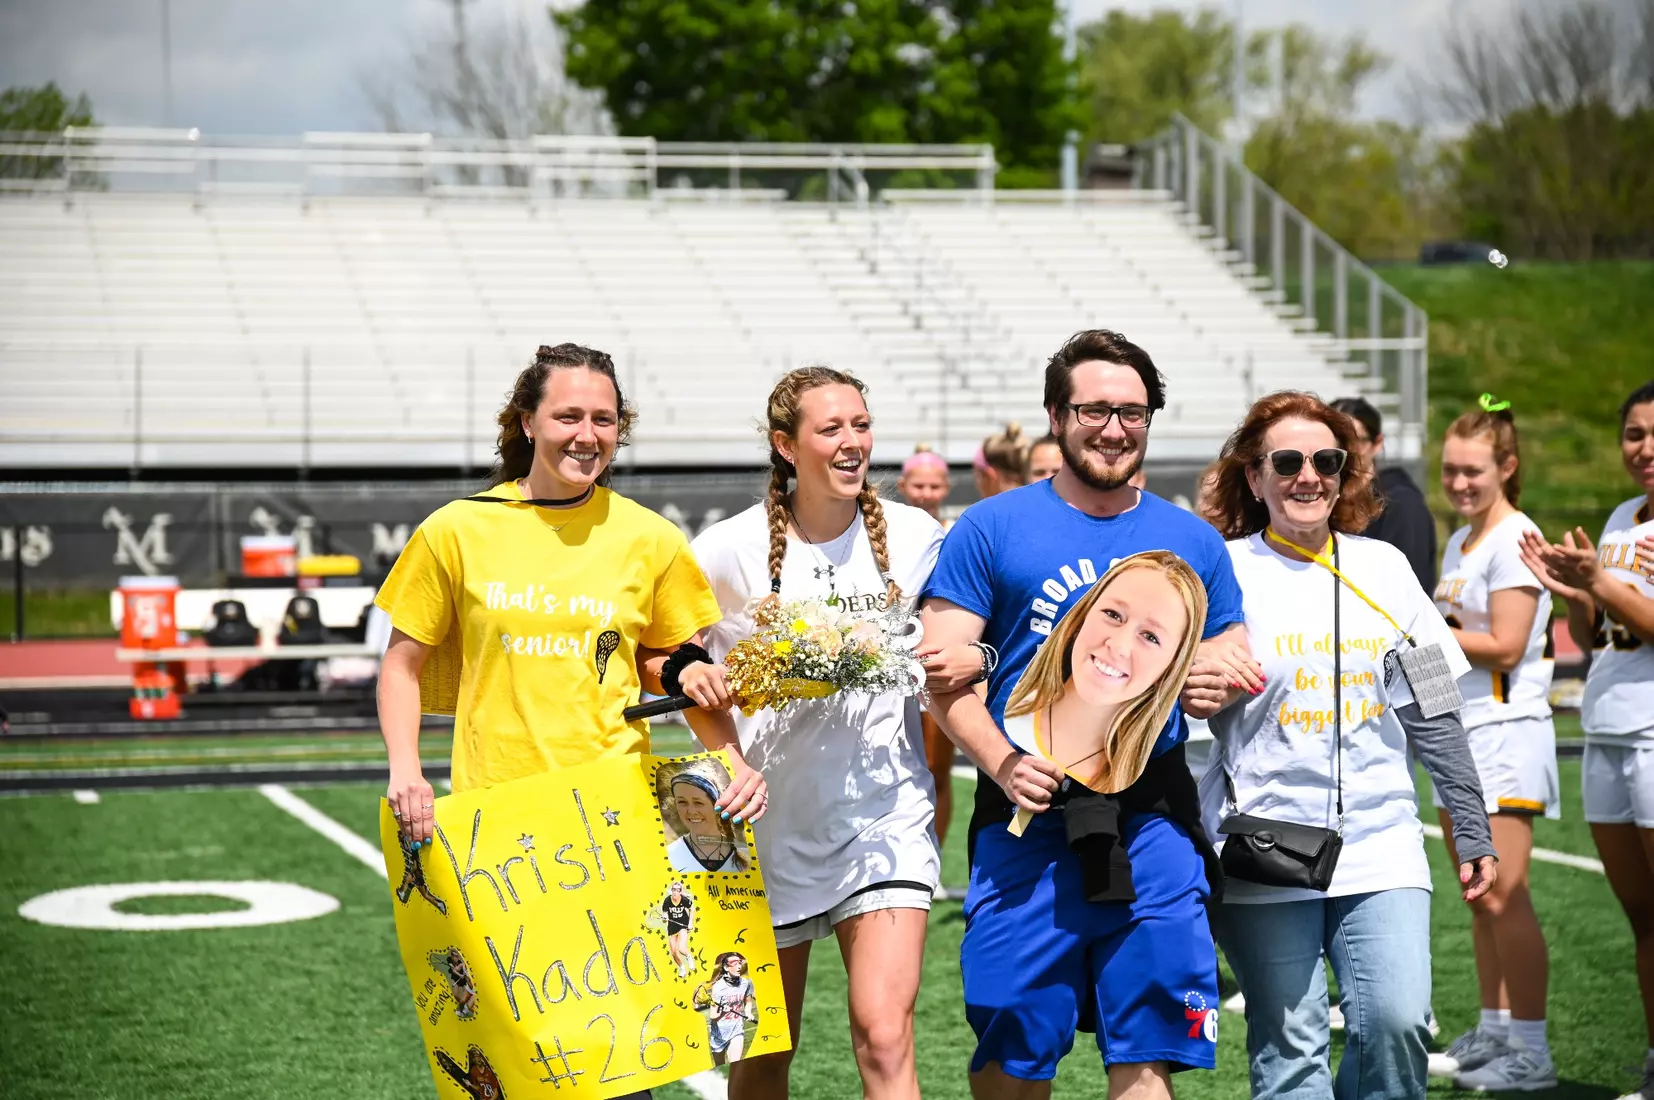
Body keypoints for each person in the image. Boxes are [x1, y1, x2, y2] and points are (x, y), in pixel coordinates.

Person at [921, 328, 1253, 1100]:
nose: (1114, 428)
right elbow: (941, 675)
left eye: (1132, 412)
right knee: (1011, 1039)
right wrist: (1001, 761)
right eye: (1095, 410)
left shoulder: (1191, 540)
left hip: (1152, 822)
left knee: (1149, 1043)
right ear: (1056, 414)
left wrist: (1217, 677)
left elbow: (1229, 648)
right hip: (1024, 819)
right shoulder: (991, 528)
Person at [1188, 389, 1497, 1100]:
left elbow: (1433, 706)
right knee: (1291, 1046)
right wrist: (1199, 690)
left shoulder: (1384, 569)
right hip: (1262, 840)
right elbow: (1170, 703)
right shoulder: (1218, 570)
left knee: (1396, 1023)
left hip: (1381, 840)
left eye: (1326, 460)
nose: (1308, 476)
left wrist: (1470, 821)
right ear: (1254, 476)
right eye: (1287, 461)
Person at [690, 366, 944, 1100]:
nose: (851, 442)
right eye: (831, 428)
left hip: (885, 817)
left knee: (884, 1033)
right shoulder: (726, 550)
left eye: (861, 425)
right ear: (785, 444)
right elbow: (668, 661)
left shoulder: (918, 536)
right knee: (764, 1052)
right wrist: (727, 757)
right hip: (768, 829)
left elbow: (960, 637)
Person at [1520, 380, 1654, 1100]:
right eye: (1634, 433)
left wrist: (1601, 581)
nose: (1645, 448)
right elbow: (1602, 637)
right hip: (1608, 728)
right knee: (1642, 918)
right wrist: (1575, 593)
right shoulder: (1621, 517)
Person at [1425, 397, 1559, 1089]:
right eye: (1449, 470)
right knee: (1478, 893)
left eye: (1473, 470)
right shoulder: (1464, 539)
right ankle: (1496, 1030)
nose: (1458, 483)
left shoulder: (1515, 537)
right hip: (1464, 737)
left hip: (1507, 734)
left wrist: (1417, 638)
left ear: (1506, 466)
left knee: (1505, 893)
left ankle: (1532, 1051)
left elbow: (1506, 647)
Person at [897, 444, 961, 854]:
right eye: (918, 484)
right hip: (892, 662)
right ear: (904, 486)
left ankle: (931, 855)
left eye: (934, 484)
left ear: (946, 487)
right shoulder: (890, 532)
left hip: (937, 662)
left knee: (938, 769)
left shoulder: (958, 533)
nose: (926, 492)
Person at [1332, 396, 1438, 592]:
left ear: (1377, 443)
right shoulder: (1326, 502)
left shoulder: (1402, 505)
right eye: (1335, 442)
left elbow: (1409, 593)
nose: (1344, 451)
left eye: (1354, 440)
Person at [666, 771, 752, 873]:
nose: (691, 811)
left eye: (698, 803)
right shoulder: (668, 855)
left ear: (716, 805)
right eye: (682, 802)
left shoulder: (746, 857)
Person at [702, 951, 758, 1066]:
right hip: (719, 1035)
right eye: (735, 963)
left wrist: (748, 1012)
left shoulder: (745, 983)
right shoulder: (718, 988)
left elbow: (747, 1002)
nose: (739, 966)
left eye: (740, 963)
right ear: (726, 967)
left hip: (736, 1030)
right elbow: (713, 1017)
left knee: (736, 1065)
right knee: (720, 1065)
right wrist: (723, 1013)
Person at [974, 422, 1031, 498]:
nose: (977, 485)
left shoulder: (986, 509)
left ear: (991, 475)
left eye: (978, 476)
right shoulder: (1040, 503)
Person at [664, 882, 695, 977]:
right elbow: (665, 913)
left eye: (678, 890)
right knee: (673, 952)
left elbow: (692, 909)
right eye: (673, 889)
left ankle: (689, 956)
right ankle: (682, 968)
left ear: (680, 892)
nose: (675, 892)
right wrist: (665, 918)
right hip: (672, 927)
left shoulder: (685, 900)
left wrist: (690, 923)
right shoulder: (667, 901)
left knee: (681, 948)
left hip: (682, 925)